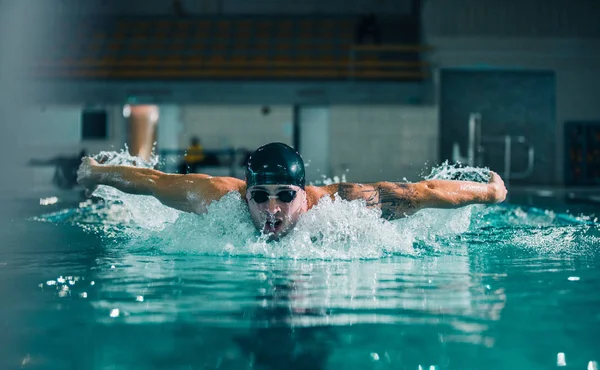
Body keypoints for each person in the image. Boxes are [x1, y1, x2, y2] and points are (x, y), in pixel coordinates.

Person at [77, 142, 507, 240]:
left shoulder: (345, 203)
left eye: (285, 196)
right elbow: (154, 183)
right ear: (245, 192)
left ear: (304, 193)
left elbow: (425, 192)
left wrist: (490, 194)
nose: (271, 209)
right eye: (260, 196)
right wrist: (96, 172)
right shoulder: (217, 196)